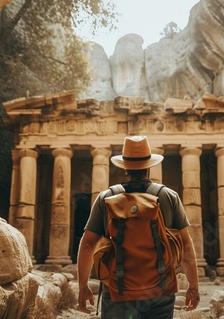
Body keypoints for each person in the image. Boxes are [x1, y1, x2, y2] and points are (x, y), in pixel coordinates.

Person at [77, 135, 200, 319]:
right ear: (149, 168)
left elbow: (87, 245)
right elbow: (187, 248)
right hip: (160, 289)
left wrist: (83, 286)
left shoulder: (105, 198)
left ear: (125, 168)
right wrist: (193, 286)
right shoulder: (169, 196)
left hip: (117, 288)